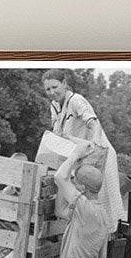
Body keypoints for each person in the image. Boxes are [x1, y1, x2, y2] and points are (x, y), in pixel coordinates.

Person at [42, 69, 125, 230]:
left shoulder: (76, 100)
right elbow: (57, 133)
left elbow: (94, 123)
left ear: (64, 84)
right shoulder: (54, 105)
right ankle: (84, 231)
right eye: (48, 89)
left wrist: (95, 144)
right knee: (81, 198)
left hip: (99, 154)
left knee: (101, 198)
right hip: (80, 156)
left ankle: (107, 234)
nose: (52, 92)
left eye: (55, 87)